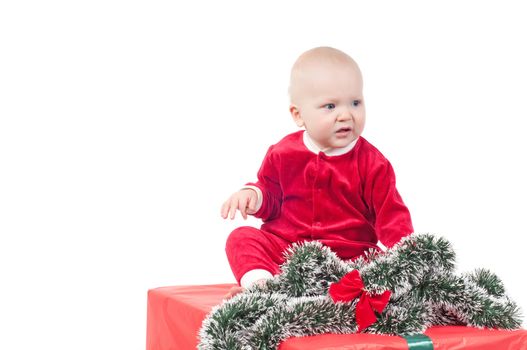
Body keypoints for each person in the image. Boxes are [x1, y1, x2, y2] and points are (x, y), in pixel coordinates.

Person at [220, 46, 413, 298]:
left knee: (377, 267)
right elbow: (271, 197)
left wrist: (409, 257)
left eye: (355, 102)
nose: (346, 115)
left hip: (347, 258)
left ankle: (340, 294)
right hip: (287, 251)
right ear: (298, 115)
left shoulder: (373, 163)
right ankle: (262, 287)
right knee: (241, 238)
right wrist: (253, 196)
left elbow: (392, 216)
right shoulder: (283, 153)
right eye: (330, 106)